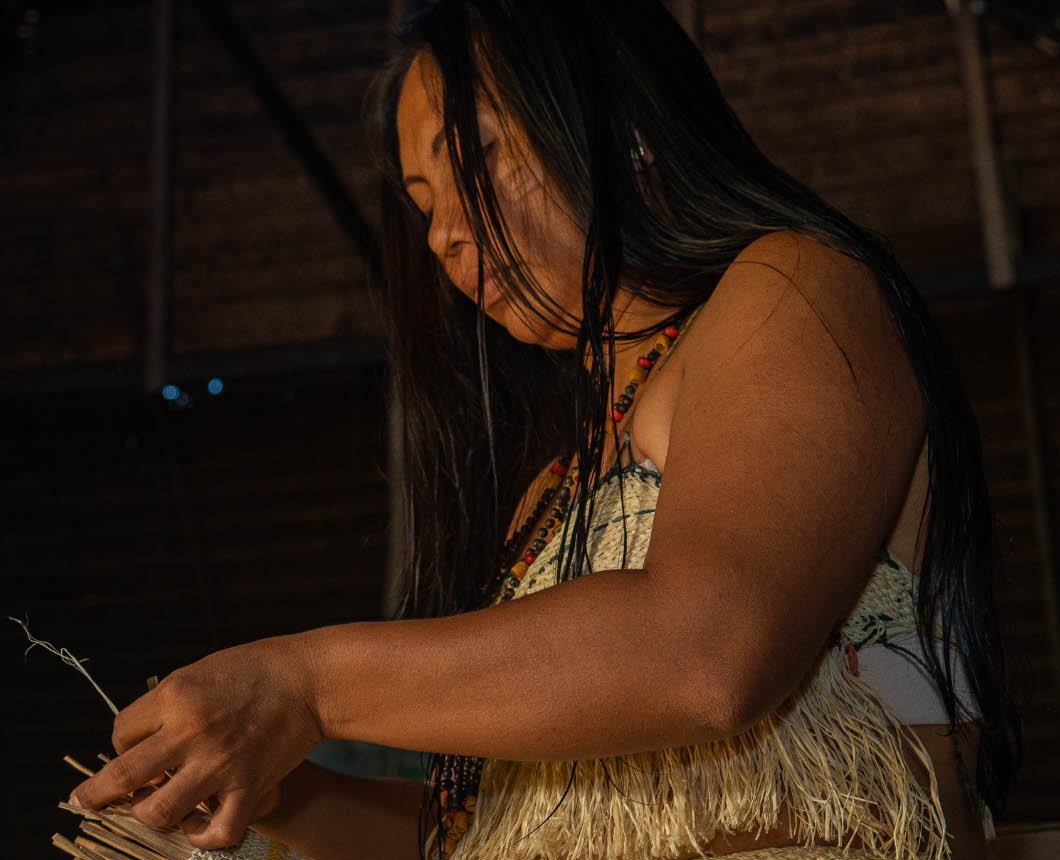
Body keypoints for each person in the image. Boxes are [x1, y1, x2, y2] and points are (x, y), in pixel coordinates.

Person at [68, 2, 1020, 858]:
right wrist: (285, 792)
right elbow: (495, 837)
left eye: (474, 159)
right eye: (421, 202)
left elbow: (712, 649)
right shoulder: (551, 498)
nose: (442, 233)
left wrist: (303, 685)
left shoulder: (793, 289)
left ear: (623, 127)